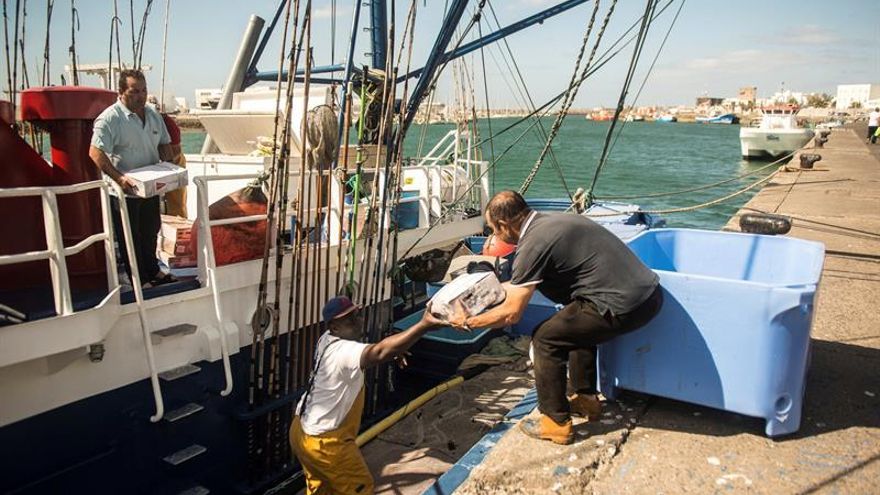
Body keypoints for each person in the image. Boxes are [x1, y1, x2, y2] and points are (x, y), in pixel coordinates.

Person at [444, 191, 663, 445]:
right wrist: (471, 302)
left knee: (546, 338)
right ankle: (586, 400)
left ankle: (555, 423)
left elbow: (512, 313)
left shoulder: (532, 245)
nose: (494, 235)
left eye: (493, 229)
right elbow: (517, 286)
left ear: (504, 225)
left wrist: (468, 322)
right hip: (648, 296)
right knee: (574, 326)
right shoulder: (554, 222)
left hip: (621, 306)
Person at [290, 296, 442, 494]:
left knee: (322, 490)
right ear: (334, 327)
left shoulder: (326, 340)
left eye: (357, 315)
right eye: (350, 320)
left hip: (300, 432)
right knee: (360, 488)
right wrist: (424, 325)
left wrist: (395, 349)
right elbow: (379, 352)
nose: (359, 321)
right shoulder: (342, 351)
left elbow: (370, 351)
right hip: (326, 443)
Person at [89, 69, 176, 288]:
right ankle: (140, 279)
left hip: (151, 187)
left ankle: (154, 271)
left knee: (151, 230)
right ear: (121, 92)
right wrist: (119, 179)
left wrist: (167, 154)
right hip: (125, 190)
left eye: (144, 90)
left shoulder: (153, 115)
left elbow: (164, 142)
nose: (141, 95)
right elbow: (95, 152)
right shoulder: (110, 118)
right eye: (134, 91)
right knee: (130, 236)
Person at [147, 95, 188, 217]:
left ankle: (179, 223)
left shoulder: (167, 123)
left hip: (173, 163)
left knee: (176, 200)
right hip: (156, 163)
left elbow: (175, 150)